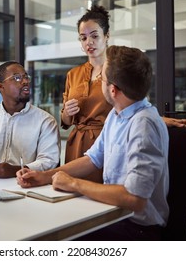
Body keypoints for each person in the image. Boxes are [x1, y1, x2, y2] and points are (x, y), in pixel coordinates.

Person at [17, 45, 169, 241]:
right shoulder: (117, 115)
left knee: (56, 237)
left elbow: (135, 199)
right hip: (115, 217)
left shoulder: (143, 125)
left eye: (102, 80)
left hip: (137, 230)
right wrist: (45, 176)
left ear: (112, 90)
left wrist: (73, 183)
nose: (99, 81)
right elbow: (93, 159)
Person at [61, 5, 186, 174]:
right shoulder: (73, 74)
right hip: (77, 145)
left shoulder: (117, 70)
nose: (89, 42)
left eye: (94, 36)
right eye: (83, 38)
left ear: (107, 36)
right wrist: (67, 114)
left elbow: (134, 106)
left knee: (104, 191)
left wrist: (159, 120)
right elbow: (65, 121)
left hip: (108, 140)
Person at [0, 61, 60, 178]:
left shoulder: (45, 121)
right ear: (1, 86)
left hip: (26, 185)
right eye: (17, 78)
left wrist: (16, 170)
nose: (25, 81)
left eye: (26, 77)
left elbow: (49, 161)